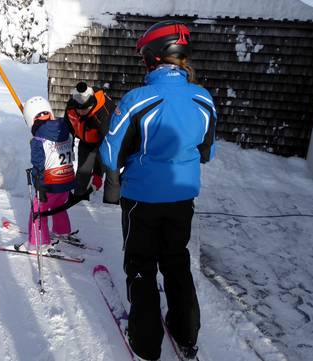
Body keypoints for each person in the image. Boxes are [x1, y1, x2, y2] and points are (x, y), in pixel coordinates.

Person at [99, 21, 217, 361]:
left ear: (152, 58)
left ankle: (145, 342)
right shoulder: (203, 98)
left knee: (141, 264)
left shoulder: (138, 100)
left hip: (143, 200)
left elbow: (110, 154)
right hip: (182, 197)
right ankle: (186, 333)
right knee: (176, 260)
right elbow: (207, 151)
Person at [21, 96, 76, 252]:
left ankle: (38, 242)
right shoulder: (65, 131)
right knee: (59, 205)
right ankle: (62, 230)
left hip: (50, 183)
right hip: (67, 179)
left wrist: (37, 181)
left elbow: (38, 165)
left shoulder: (38, 139)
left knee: (39, 210)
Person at [65, 81, 120, 204]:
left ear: (92, 105)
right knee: (83, 173)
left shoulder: (103, 112)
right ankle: (80, 203)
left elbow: (105, 144)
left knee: (112, 175)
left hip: (110, 143)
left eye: (85, 109)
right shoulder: (71, 106)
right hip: (87, 141)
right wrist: (67, 147)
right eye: (79, 110)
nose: (81, 113)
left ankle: (111, 207)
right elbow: (67, 128)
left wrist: (98, 173)